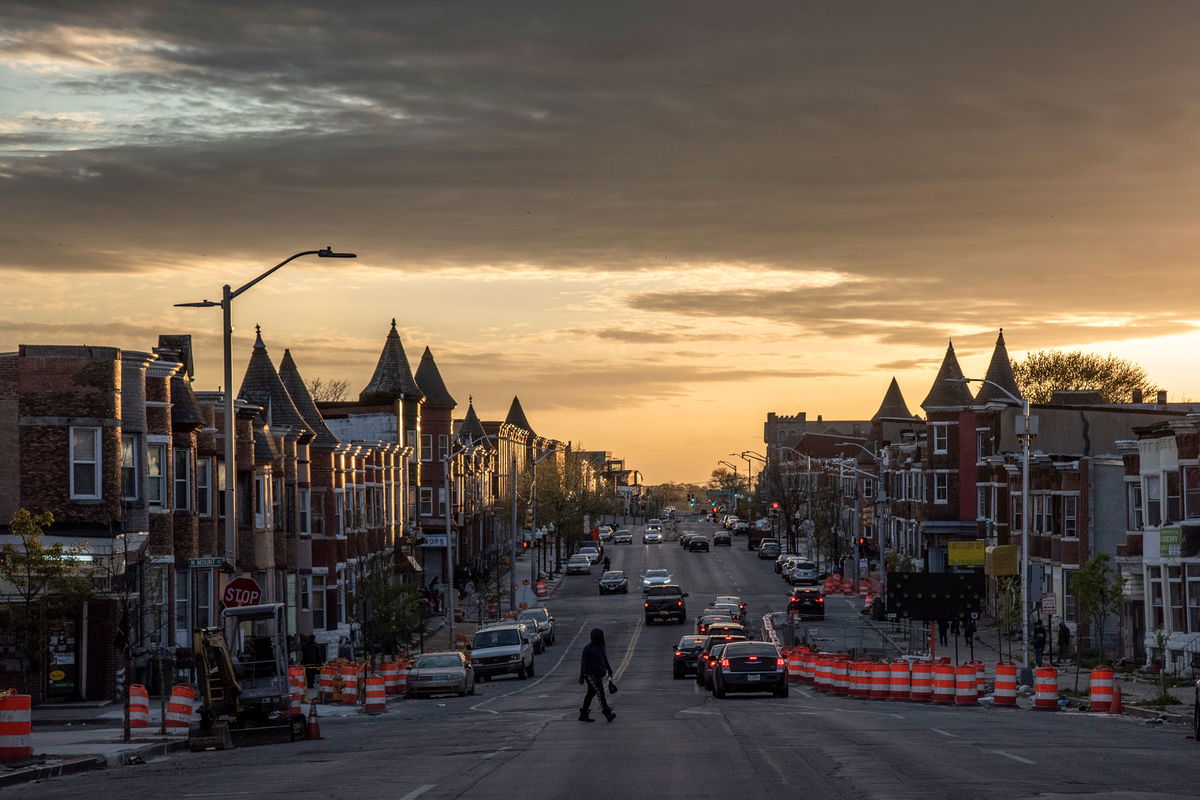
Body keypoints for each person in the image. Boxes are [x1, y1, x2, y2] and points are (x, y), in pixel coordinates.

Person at [578, 628, 616, 723]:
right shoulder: (588, 648)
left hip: (598, 674)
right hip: (590, 674)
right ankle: (607, 713)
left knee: (591, 693)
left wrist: (609, 670)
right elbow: (583, 662)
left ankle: (583, 714)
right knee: (600, 692)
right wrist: (582, 675)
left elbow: (604, 658)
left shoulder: (602, 646)